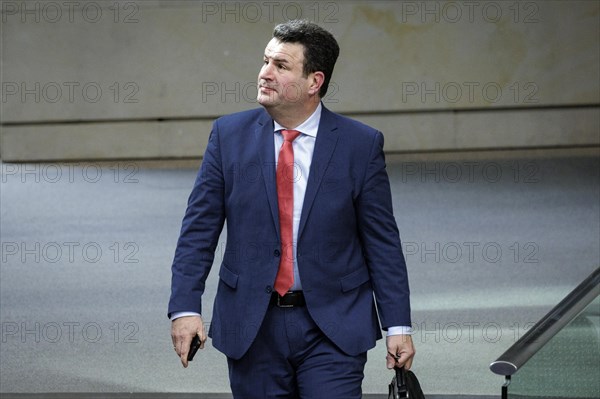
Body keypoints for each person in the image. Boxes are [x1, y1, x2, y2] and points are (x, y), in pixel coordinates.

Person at [169, 19, 414, 398]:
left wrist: (398, 326)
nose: (264, 73)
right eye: (266, 61)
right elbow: (198, 232)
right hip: (252, 324)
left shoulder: (359, 145)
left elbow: (382, 243)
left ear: (314, 82)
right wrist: (185, 307)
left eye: (281, 66)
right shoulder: (228, 136)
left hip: (334, 326)